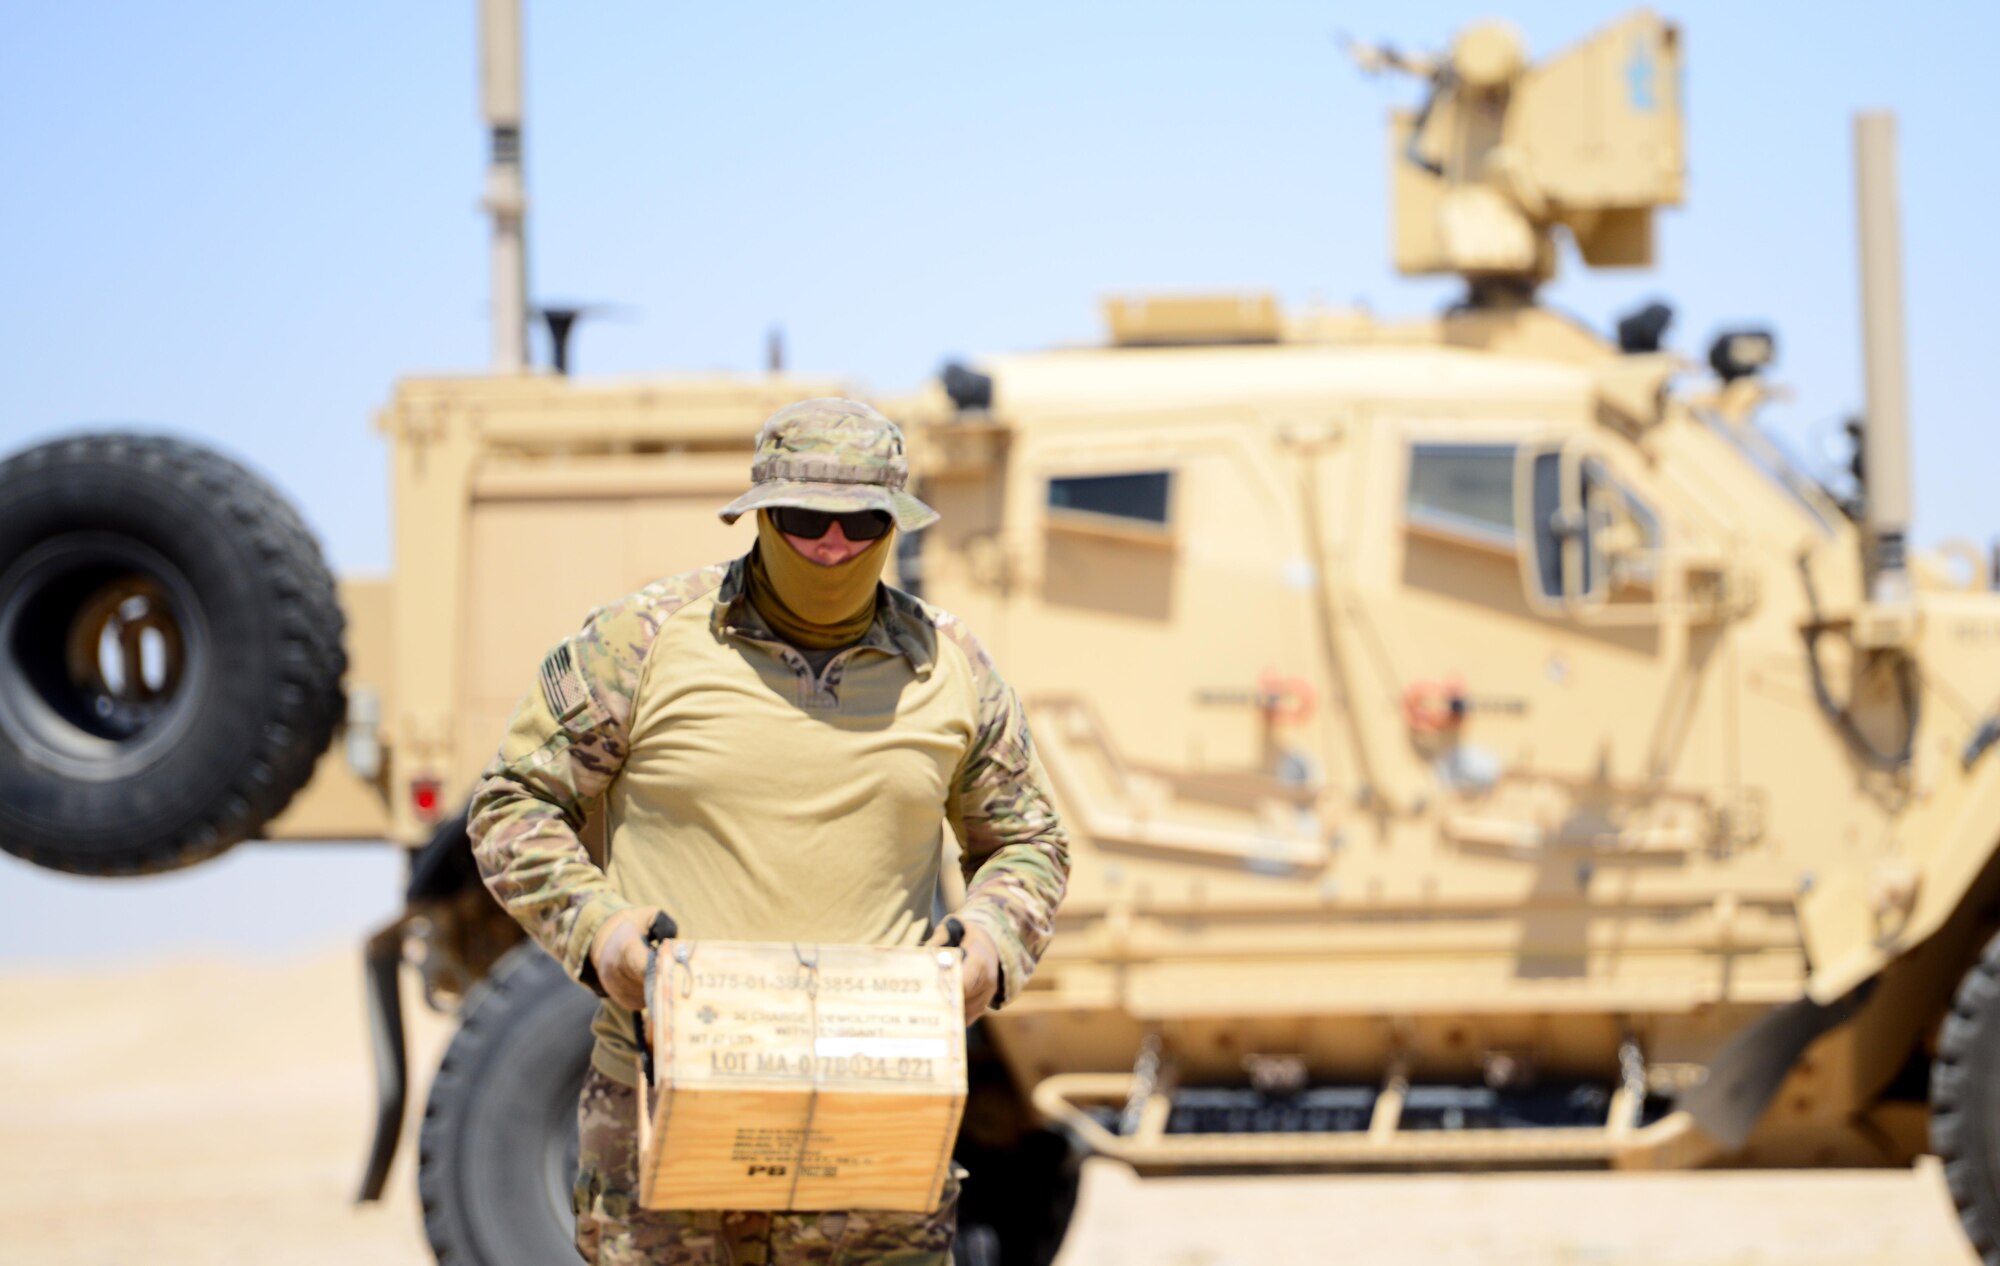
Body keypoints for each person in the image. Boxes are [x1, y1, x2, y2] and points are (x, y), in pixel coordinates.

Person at [467, 397, 1072, 1266]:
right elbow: (513, 801)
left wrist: (990, 942)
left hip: (876, 1110)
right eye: (805, 520)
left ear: (895, 525)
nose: (832, 546)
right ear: (758, 515)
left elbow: (1029, 841)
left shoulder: (950, 667)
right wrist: (600, 932)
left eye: (861, 523)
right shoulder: (641, 642)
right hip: (665, 1104)